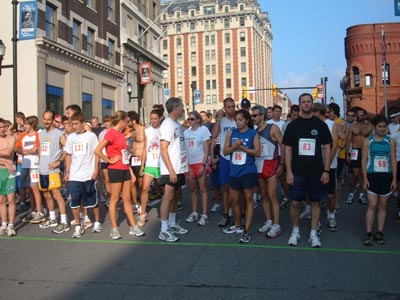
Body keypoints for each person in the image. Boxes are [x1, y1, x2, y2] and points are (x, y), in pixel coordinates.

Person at [283, 93, 332, 248]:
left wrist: (326, 170)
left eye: (308, 102)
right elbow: (288, 149)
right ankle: (295, 231)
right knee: (295, 203)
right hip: (297, 172)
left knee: (315, 202)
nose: (306, 104)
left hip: (316, 171)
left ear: (312, 104)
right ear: (299, 104)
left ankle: (313, 233)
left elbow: (327, 148)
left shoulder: (320, 125)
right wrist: (289, 171)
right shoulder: (292, 126)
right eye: (303, 102)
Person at [94, 110, 144, 240]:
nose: (127, 124)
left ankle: (133, 226)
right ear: (121, 121)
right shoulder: (111, 133)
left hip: (125, 168)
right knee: (115, 199)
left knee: (127, 198)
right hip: (115, 169)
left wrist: (131, 171)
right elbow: (98, 150)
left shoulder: (121, 134)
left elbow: (124, 154)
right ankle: (114, 228)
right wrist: (109, 160)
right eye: (126, 122)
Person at [222, 110, 260, 243]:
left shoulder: (253, 133)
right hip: (234, 170)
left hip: (248, 170)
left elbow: (257, 152)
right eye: (236, 120)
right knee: (234, 200)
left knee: (249, 199)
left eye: (240, 120)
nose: (238, 122)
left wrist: (242, 148)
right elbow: (225, 151)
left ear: (246, 120)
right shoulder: (231, 133)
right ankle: (238, 225)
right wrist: (234, 147)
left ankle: (247, 230)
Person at [64, 112, 102, 238]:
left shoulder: (91, 136)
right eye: (72, 124)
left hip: (88, 174)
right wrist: (67, 171)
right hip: (75, 175)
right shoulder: (70, 138)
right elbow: (68, 155)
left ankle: (97, 221)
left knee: (92, 201)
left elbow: (96, 153)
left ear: (82, 123)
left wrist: (96, 169)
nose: (74, 126)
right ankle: (78, 225)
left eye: (76, 124)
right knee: (74, 202)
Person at [361, 115, 396, 245]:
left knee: (383, 205)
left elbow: (393, 160)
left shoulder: (390, 141)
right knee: (372, 205)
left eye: (384, 126)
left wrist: (394, 179)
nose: (382, 129)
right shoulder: (368, 141)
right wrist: (364, 178)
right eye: (380, 126)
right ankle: (369, 233)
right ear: (375, 127)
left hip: (386, 176)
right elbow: (363, 160)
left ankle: (379, 231)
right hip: (372, 175)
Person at [158, 97, 188, 242]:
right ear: (175, 108)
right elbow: (163, 149)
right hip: (170, 169)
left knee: (175, 196)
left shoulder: (176, 124)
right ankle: (163, 230)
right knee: (168, 197)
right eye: (181, 106)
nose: (183, 109)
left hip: (179, 167)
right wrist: (171, 170)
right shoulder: (167, 125)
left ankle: (171, 223)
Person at [251, 105, 284, 238]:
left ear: (262, 116)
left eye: (255, 115)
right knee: (263, 195)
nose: (252, 118)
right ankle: (269, 220)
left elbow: (283, 145)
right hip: (258, 165)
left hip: (271, 164)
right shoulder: (254, 131)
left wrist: (282, 164)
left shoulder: (273, 128)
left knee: (272, 195)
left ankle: (277, 224)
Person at [38, 111, 69, 234]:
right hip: (42, 169)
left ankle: (64, 221)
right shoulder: (40, 134)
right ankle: (52, 219)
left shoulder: (59, 134)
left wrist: (59, 162)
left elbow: (68, 148)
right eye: (44, 119)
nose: (46, 121)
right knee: (46, 195)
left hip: (53, 170)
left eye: (48, 119)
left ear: (53, 120)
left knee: (56, 194)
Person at [211, 98, 237, 227]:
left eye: (233, 106)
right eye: (228, 107)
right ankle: (226, 213)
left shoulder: (239, 119)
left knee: (238, 188)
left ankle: (237, 213)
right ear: (224, 108)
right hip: (225, 157)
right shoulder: (222, 121)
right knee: (226, 187)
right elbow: (214, 136)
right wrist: (218, 119)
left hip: (238, 157)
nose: (231, 109)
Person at [15, 115, 45, 224]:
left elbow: (36, 150)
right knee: (30, 189)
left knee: (35, 187)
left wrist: (25, 151)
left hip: (35, 165)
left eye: (26, 124)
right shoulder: (22, 136)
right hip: (25, 165)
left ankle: (40, 211)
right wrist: (26, 151)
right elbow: (17, 149)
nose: (24, 126)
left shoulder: (38, 135)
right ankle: (32, 210)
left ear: (31, 125)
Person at [314, 103, 339, 232]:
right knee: (316, 194)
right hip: (315, 165)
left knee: (330, 194)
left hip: (330, 165)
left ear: (318, 112)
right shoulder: (312, 124)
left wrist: (327, 165)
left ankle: (331, 215)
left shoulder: (332, 124)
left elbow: (334, 145)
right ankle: (316, 221)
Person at [184, 111, 211, 226]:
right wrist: (187, 165)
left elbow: (206, 149)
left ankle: (204, 215)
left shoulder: (203, 130)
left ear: (198, 120)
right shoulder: (186, 132)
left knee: (203, 188)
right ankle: (194, 212)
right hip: (190, 164)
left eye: (192, 119)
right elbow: (185, 150)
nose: (190, 121)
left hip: (200, 162)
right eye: (189, 119)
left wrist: (203, 165)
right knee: (193, 190)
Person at [138, 109, 162, 226]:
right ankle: (142, 213)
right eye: (151, 118)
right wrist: (142, 165)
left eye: (155, 118)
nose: (153, 121)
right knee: (144, 188)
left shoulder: (164, 130)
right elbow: (145, 148)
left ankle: (167, 214)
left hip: (162, 164)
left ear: (160, 118)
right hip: (150, 164)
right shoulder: (147, 131)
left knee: (168, 191)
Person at [346, 108, 372, 204]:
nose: (359, 116)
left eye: (361, 115)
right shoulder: (352, 127)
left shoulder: (369, 127)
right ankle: (351, 194)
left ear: (365, 116)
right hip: (355, 151)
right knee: (355, 174)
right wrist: (347, 155)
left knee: (363, 174)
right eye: (358, 114)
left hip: (365, 151)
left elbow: (371, 141)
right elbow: (348, 141)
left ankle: (361, 195)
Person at [0, 118, 17, 236]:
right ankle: (4, 224)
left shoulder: (11, 139)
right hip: (1, 170)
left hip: (9, 172)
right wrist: (4, 162)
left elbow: (7, 152)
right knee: (1, 200)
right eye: (0, 127)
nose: (3, 129)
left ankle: (11, 225)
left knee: (11, 199)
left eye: (4, 127)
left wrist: (6, 162)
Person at [127, 111, 145, 215]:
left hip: (140, 158)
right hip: (133, 157)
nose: (127, 122)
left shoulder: (143, 130)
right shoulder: (132, 131)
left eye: (128, 120)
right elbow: (125, 139)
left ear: (134, 121)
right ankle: (135, 203)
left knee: (141, 181)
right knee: (132, 181)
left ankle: (143, 201)